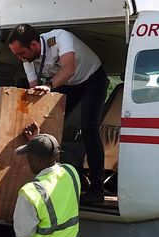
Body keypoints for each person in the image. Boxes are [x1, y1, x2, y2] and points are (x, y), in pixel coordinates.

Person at [8, 23, 108, 204]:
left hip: (92, 79)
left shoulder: (60, 37)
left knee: (89, 128)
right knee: (47, 128)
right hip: (68, 85)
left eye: (21, 54)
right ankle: (50, 183)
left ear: (34, 45)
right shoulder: (27, 60)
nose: (19, 59)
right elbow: (34, 92)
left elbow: (69, 69)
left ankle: (97, 190)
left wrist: (49, 86)